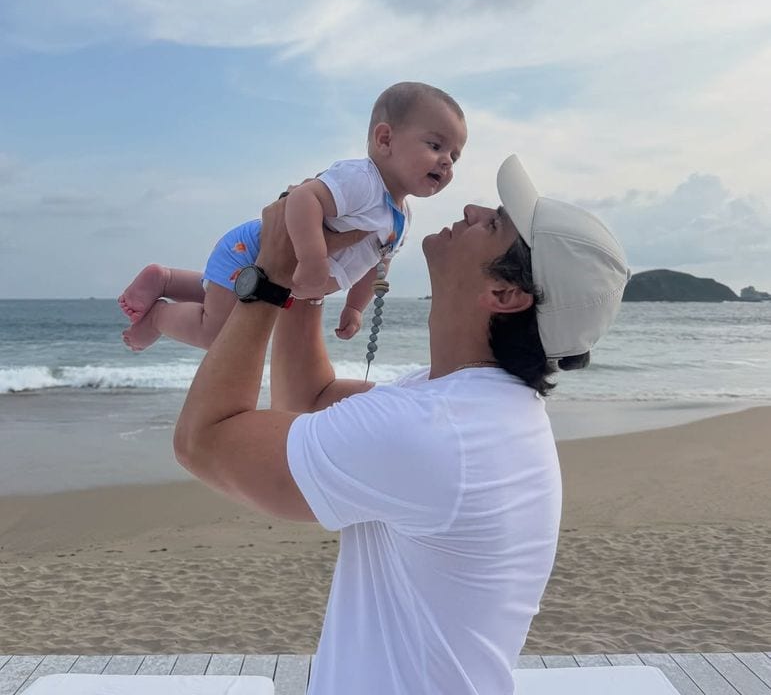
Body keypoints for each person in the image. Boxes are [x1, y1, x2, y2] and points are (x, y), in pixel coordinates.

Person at [173, 153, 630, 695]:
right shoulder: (474, 405)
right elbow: (310, 398)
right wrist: (309, 273)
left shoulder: (440, 432)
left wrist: (267, 279)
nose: (473, 206)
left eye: (497, 222)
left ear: (506, 296)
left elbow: (204, 441)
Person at [118, 82, 466, 352]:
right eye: (435, 146)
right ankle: (159, 316)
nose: (447, 160)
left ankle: (166, 279)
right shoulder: (363, 181)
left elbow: (377, 263)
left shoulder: (401, 216)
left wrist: (355, 307)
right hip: (253, 251)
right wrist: (313, 259)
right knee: (216, 333)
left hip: (269, 268)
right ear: (385, 138)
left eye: (454, 154)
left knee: (223, 295)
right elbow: (304, 198)